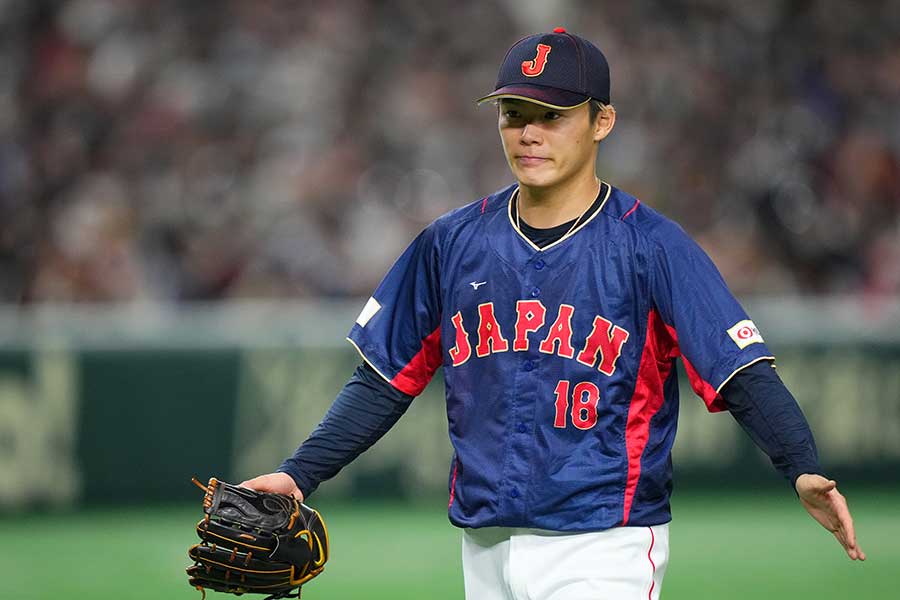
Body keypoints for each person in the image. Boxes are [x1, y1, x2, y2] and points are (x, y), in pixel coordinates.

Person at [242, 28, 865, 599]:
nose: (528, 132)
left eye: (553, 116)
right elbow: (383, 380)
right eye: (514, 115)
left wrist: (802, 466)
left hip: (604, 545)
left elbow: (741, 371)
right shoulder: (450, 243)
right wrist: (300, 475)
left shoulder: (651, 247)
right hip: (483, 545)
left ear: (603, 122)